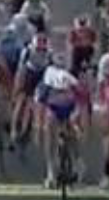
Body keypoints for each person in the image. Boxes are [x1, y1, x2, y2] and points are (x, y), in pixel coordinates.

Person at [35, 53, 83, 189]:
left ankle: (77, 161)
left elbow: (82, 101)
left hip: (69, 108)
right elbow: (40, 104)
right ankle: (51, 171)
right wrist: (39, 126)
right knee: (50, 134)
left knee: (72, 132)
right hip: (54, 108)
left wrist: (77, 120)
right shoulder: (48, 78)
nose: (62, 93)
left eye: (64, 91)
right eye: (58, 91)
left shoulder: (71, 80)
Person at [12, 33, 51, 145]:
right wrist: (18, 84)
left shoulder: (49, 52)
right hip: (28, 74)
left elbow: (50, 68)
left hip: (41, 75)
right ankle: (13, 129)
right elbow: (20, 68)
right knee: (21, 100)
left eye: (43, 49)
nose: (41, 50)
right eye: (39, 49)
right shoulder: (27, 51)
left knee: (31, 103)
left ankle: (24, 130)